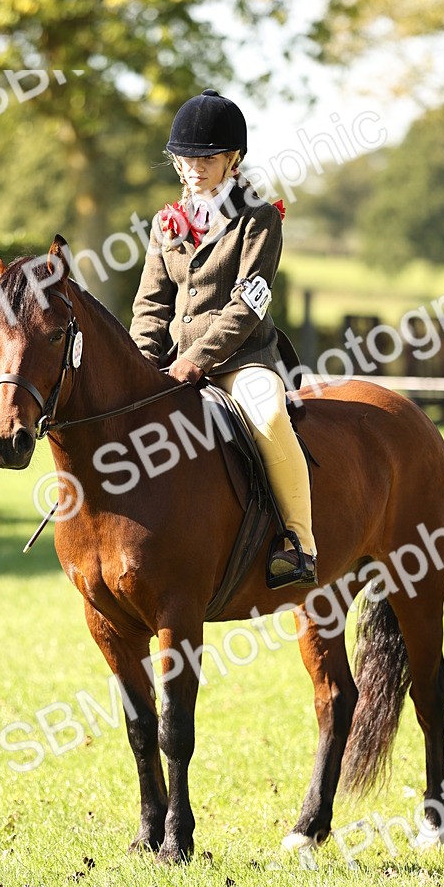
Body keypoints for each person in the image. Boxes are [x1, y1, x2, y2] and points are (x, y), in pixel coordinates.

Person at [129, 88, 317, 588]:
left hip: (243, 361)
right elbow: (151, 304)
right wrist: (141, 364)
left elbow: (248, 303)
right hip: (171, 362)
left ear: (234, 159)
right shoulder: (167, 224)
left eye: (207, 157)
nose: (194, 168)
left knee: (269, 415)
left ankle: (298, 542)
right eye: (184, 158)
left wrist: (197, 356)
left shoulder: (259, 217)